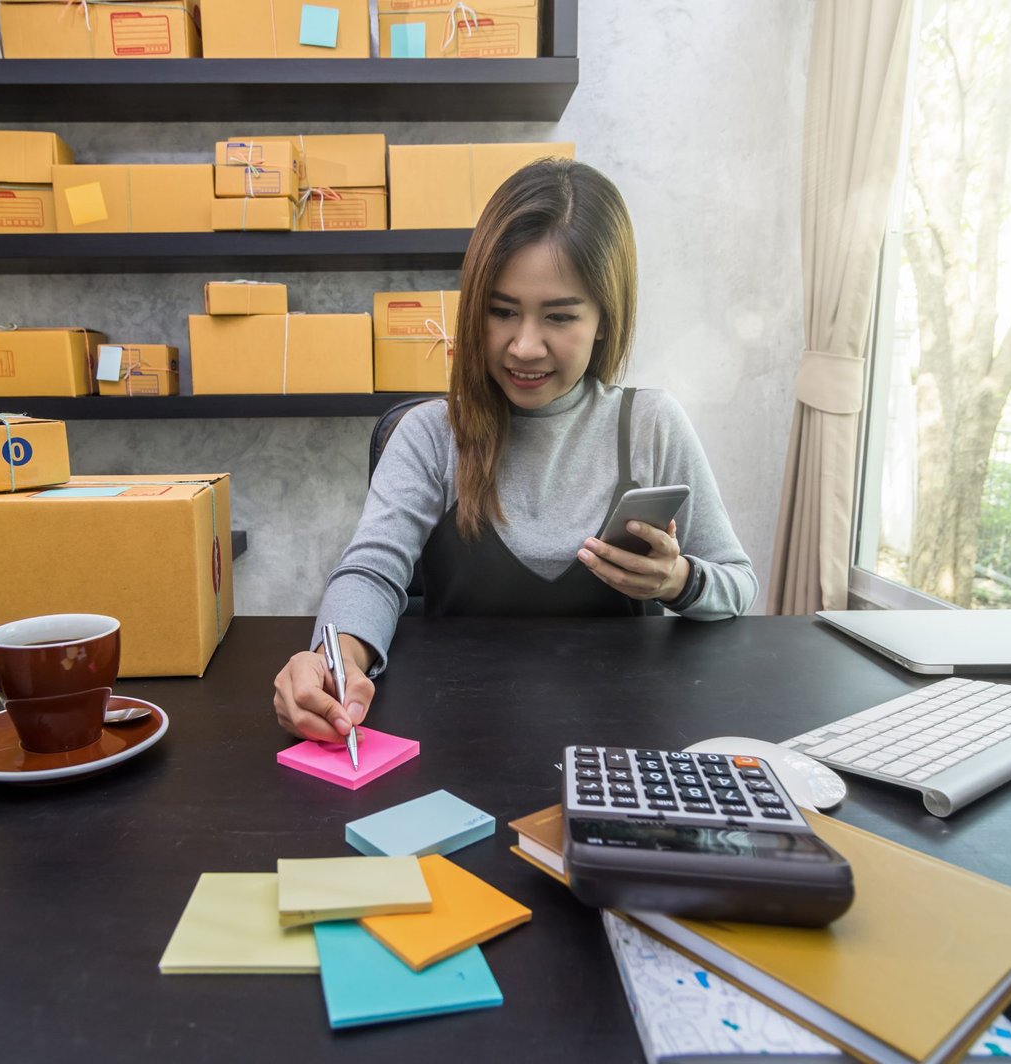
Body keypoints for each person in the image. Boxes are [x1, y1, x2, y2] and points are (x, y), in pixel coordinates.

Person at [273, 159, 758, 741]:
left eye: (559, 316)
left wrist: (677, 580)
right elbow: (372, 573)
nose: (524, 346)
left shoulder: (651, 425)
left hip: (620, 747)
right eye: (501, 312)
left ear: (605, 319)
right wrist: (335, 661)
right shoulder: (431, 433)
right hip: (457, 740)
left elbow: (737, 583)